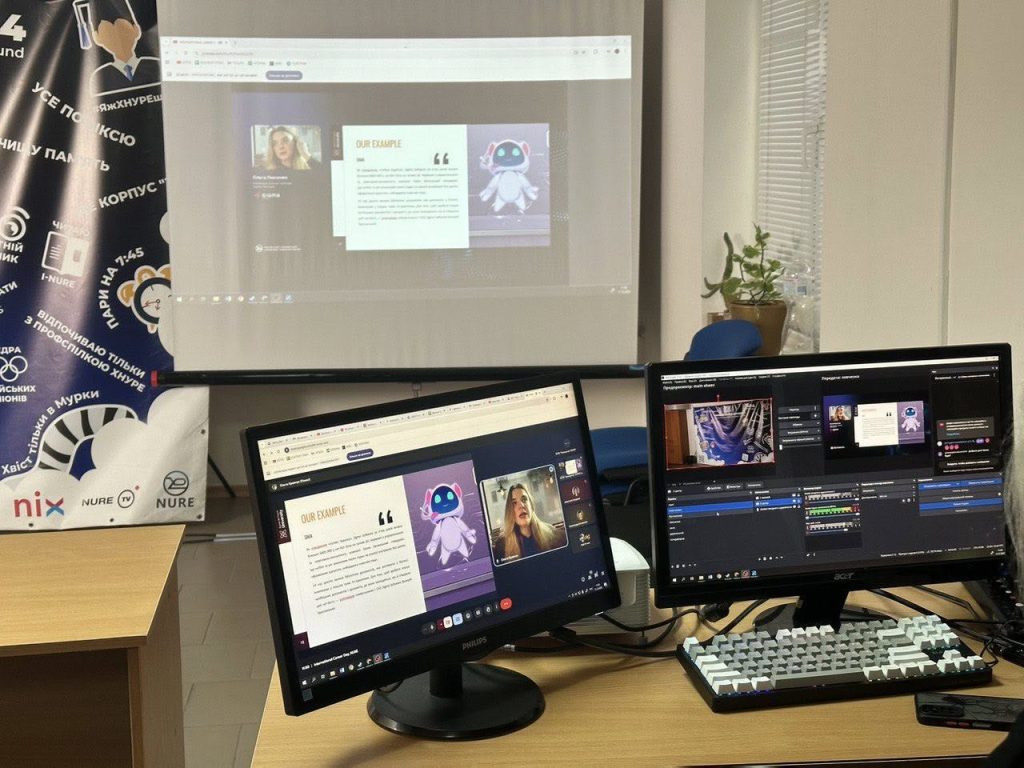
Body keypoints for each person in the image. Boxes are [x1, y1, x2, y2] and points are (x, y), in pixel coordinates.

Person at [494, 484, 566, 562]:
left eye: (524, 499)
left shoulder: (554, 536)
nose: (521, 505)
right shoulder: (502, 546)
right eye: (514, 503)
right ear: (510, 511)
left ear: (531, 505)